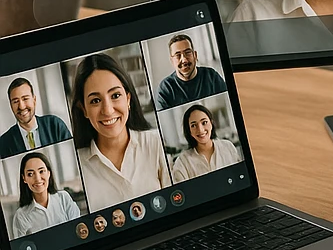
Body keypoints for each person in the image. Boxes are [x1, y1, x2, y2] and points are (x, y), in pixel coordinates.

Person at [71, 53, 172, 213]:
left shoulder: (154, 142)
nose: (108, 110)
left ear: (128, 99)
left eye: (116, 96)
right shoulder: (79, 163)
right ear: (84, 109)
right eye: (95, 100)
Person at [10, 151, 80, 238]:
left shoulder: (63, 198)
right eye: (30, 174)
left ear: (49, 173)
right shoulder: (21, 215)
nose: (38, 179)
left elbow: (78, 229)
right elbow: (21, 247)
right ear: (24, 178)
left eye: (41, 171)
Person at [0, 77, 72, 158]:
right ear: (11, 105)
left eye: (25, 99)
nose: (21, 106)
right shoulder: (3, 143)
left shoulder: (55, 125)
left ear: (34, 100)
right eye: (15, 101)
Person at [154, 33, 227, 110]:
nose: (184, 60)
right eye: (178, 55)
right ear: (172, 61)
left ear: (195, 55)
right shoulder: (165, 88)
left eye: (188, 52)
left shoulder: (211, 76)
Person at [171, 104, 240, 181]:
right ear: (189, 131)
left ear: (211, 123)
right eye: (193, 125)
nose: (200, 130)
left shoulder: (228, 147)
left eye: (204, 122)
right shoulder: (182, 162)